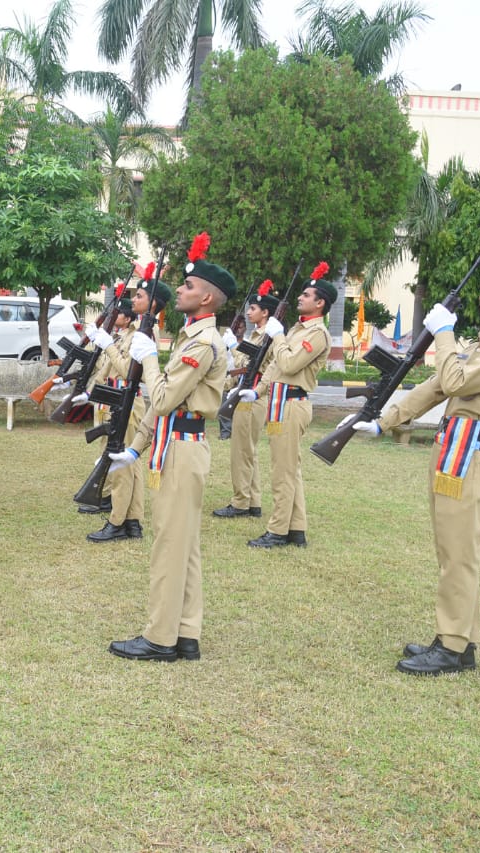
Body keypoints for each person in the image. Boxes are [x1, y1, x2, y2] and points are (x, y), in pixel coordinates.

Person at [348, 237, 480, 675]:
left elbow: (452, 382)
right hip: (451, 447)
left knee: (459, 555)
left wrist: (445, 333)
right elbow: (434, 387)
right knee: (449, 551)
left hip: (470, 453)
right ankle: (459, 640)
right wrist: (386, 420)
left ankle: (451, 649)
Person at [106, 233, 231, 662]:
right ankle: (185, 632)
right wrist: (136, 450)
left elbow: (160, 400)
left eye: (190, 286)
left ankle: (160, 638)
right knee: (184, 545)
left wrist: (149, 360)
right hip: (175, 442)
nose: (179, 289)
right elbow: (162, 411)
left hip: (181, 447)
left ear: (208, 299)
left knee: (169, 545)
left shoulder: (201, 343)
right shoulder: (191, 337)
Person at [246, 262, 335, 549]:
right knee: (289, 469)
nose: (300, 297)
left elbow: (289, 362)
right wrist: (257, 390)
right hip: (279, 401)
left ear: (320, 303)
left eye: (307, 295)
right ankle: (296, 528)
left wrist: (279, 336)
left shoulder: (317, 334)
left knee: (282, 471)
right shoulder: (299, 330)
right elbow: (275, 368)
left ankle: (278, 530)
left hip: (292, 403)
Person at [83, 268, 174, 542]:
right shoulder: (134, 332)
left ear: (154, 303)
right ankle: (133, 521)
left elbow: (126, 371)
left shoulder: (143, 335)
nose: (134, 300)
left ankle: (118, 521)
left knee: (121, 463)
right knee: (128, 464)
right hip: (120, 400)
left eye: (141, 296)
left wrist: (108, 344)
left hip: (128, 403)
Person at [213, 281, 279, 520]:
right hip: (246, 393)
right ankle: (253, 501)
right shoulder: (256, 335)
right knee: (247, 452)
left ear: (266, 313)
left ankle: (241, 502)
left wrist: (235, 347)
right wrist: (235, 348)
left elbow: (266, 365)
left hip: (253, 396)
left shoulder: (269, 337)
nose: (249, 313)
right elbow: (242, 364)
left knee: (241, 452)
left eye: (253, 309)